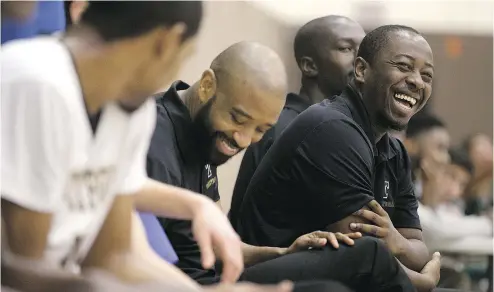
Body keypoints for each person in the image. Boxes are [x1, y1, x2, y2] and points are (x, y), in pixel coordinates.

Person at [2, 2, 248, 291]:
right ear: (166, 42)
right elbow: (25, 270)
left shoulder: (133, 110)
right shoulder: (37, 85)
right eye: (185, 55)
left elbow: (112, 257)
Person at [142, 40, 417, 292]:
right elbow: (131, 263)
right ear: (206, 86)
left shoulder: (204, 134)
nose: (243, 139)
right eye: (238, 119)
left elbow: (219, 246)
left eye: (261, 130)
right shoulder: (151, 140)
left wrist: (283, 253)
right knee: (365, 258)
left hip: (217, 279)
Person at [236, 25, 442, 292]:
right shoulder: (332, 127)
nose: (417, 81)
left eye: (427, 75)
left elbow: (418, 249)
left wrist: (398, 242)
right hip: (262, 275)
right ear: (361, 70)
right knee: (368, 252)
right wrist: (423, 281)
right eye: (403, 66)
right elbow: (366, 250)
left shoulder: (395, 152)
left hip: (334, 274)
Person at [230, 16, 365, 225]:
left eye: (363, 50)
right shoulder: (285, 126)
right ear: (310, 66)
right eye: (346, 49)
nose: (360, 61)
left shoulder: (337, 126)